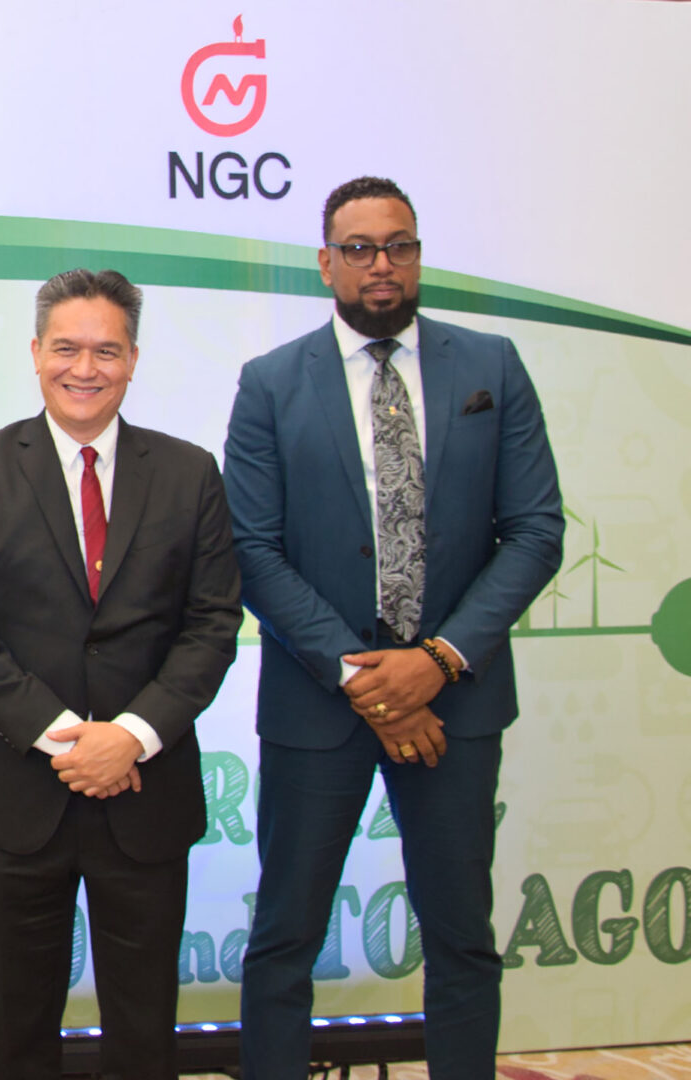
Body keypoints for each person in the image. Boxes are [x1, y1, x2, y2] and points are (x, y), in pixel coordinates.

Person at [227, 176, 563, 1077]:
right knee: (284, 940)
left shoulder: (491, 366)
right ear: (326, 261)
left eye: (399, 245)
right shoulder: (270, 383)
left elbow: (536, 532)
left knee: (462, 939)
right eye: (361, 248)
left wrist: (437, 661)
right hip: (317, 706)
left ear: (417, 254)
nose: (382, 264)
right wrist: (368, 678)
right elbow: (252, 550)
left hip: (457, 705)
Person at [0, 268, 241, 1078]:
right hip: (17, 794)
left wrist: (129, 737)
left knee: (144, 1028)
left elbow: (211, 626)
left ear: (133, 359)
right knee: (18, 1028)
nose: (85, 368)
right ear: (35, 353)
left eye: (106, 350)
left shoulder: (189, 473)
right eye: (66, 348)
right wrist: (70, 739)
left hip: (146, 795)